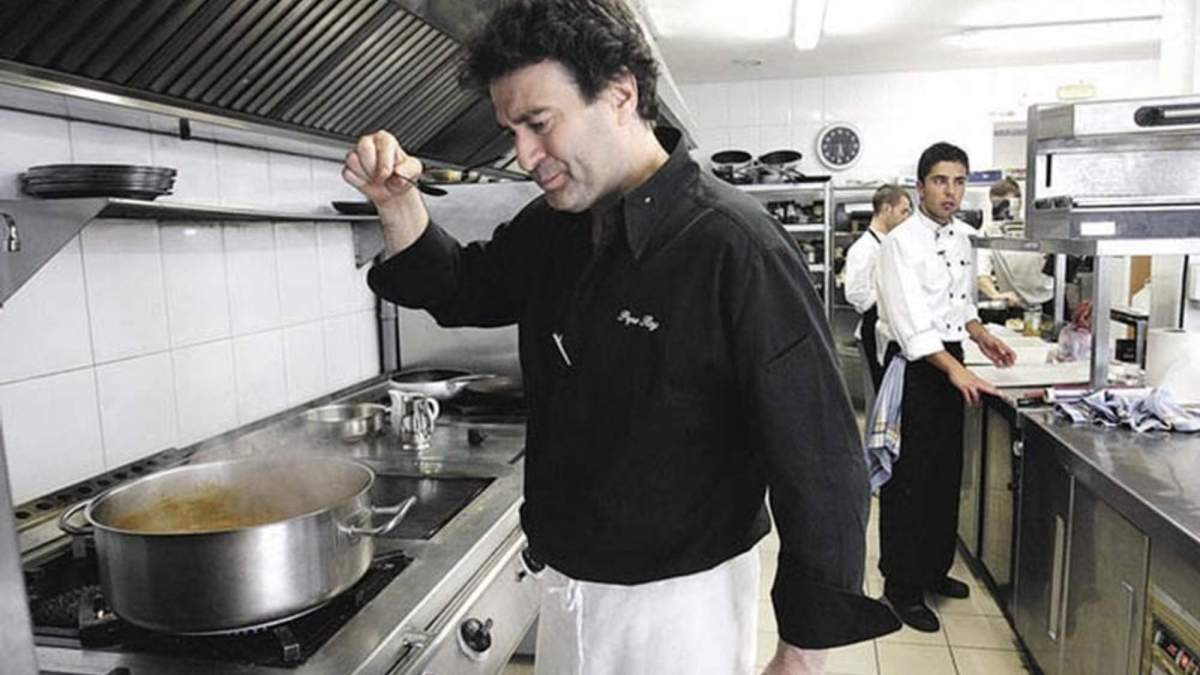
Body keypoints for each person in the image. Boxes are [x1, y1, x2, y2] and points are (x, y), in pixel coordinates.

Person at [344, 1, 897, 672]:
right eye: (511, 130)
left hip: (678, 609)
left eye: (539, 123)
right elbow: (462, 285)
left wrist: (803, 653)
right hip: (567, 583)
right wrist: (397, 202)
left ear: (619, 94)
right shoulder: (555, 228)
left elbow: (819, 459)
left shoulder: (732, 246)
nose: (524, 155)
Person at [874, 142, 1016, 632]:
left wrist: (981, 335)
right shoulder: (900, 243)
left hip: (951, 358)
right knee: (909, 479)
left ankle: (934, 569)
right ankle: (901, 586)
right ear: (920, 186)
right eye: (940, 181)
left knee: (945, 474)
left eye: (959, 181)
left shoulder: (963, 237)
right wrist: (953, 370)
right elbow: (910, 320)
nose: (950, 191)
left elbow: (960, 304)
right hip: (916, 367)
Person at [843, 185, 911, 391]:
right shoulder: (863, 249)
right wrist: (889, 294)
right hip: (874, 327)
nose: (907, 218)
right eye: (904, 211)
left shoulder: (893, 244)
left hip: (893, 329)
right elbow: (855, 293)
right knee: (882, 392)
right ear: (887, 209)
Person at [977, 177, 1053, 313]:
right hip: (1014, 303)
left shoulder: (1037, 228)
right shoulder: (988, 234)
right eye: (997, 205)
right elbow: (981, 274)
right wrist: (995, 295)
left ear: (1019, 203)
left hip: (1049, 299)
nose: (1002, 210)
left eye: (1006, 204)